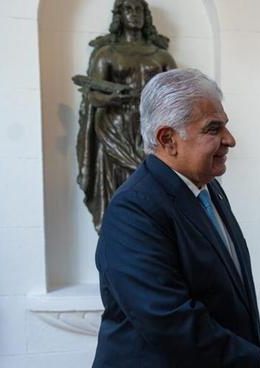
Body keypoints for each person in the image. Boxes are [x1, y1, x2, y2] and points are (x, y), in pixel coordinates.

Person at [80, 68, 260, 368]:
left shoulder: (207, 188)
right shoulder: (135, 209)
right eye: (214, 129)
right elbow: (168, 318)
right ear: (167, 139)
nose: (230, 140)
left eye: (225, 126)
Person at [75, 0, 177, 232]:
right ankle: (119, 237)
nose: (135, 14)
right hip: (114, 131)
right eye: (128, 9)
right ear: (119, 15)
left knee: (153, 189)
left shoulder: (162, 56)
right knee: (119, 192)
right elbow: (93, 96)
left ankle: (151, 237)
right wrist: (111, 99)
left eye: (139, 9)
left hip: (151, 131)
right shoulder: (107, 54)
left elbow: (175, 95)